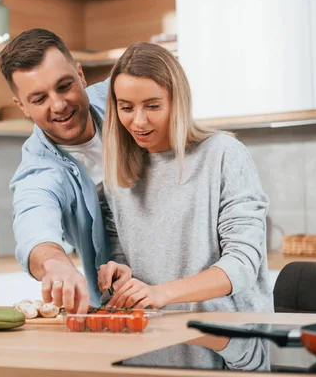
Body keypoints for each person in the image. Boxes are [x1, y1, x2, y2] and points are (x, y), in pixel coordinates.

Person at [97, 42, 274, 312]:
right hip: (151, 338)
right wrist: (122, 274)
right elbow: (124, 257)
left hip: (227, 340)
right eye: (126, 107)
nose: (139, 121)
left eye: (152, 106)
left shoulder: (223, 154)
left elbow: (242, 264)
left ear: (176, 102)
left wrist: (162, 293)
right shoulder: (118, 174)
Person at [0, 28, 128, 314]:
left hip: (197, 289)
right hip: (122, 307)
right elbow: (34, 220)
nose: (58, 105)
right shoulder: (39, 169)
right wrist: (55, 263)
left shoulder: (126, 100)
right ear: (22, 106)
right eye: (39, 99)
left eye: (64, 85)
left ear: (80, 75)